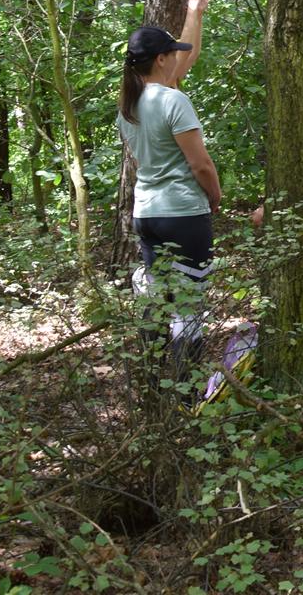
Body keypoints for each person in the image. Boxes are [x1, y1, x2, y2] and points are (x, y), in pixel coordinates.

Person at [120, 24, 223, 379]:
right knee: (189, 304)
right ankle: (188, 389)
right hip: (182, 212)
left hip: (147, 212)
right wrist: (215, 194)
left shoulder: (129, 105)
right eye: (173, 53)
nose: (179, 57)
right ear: (161, 59)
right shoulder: (172, 100)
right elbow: (200, 163)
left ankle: (152, 380)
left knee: (156, 298)